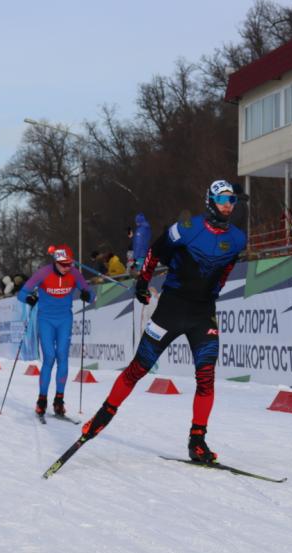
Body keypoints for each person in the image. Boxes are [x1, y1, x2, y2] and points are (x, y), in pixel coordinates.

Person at [79, 179, 246, 463]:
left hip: (202, 314)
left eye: (233, 200)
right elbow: (156, 252)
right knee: (137, 369)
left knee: (206, 378)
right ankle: (103, 415)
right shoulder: (188, 228)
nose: (229, 205)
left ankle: (198, 440)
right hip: (171, 309)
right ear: (210, 201)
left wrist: (214, 292)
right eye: (223, 199)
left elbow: (228, 265)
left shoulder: (239, 238)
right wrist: (143, 282)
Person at [17, 244, 94, 417]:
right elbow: (21, 294)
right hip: (45, 319)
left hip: (64, 319)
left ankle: (59, 400)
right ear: (56, 262)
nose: (67, 268)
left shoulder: (74, 273)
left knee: (62, 356)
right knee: (49, 357)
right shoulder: (43, 273)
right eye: (64, 264)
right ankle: (42, 400)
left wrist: (87, 295)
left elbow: (90, 293)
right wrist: (29, 298)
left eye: (70, 264)